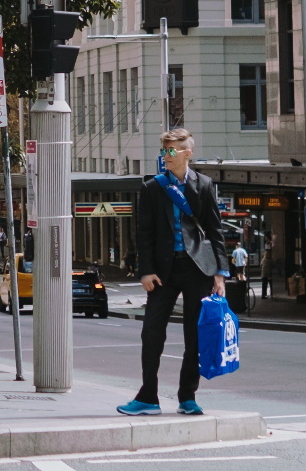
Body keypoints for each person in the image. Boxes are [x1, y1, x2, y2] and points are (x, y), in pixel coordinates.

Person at [117, 128, 229, 418]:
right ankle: (147, 397)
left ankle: (187, 397)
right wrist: (145, 272)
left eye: (170, 151)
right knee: (152, 331)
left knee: (195, 334)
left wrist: (219, 274)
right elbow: (144, 233)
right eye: (163, 150)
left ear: (186, 154)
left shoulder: (204, 185)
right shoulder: (153, 187)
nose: (164, 156)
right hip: (162, 273)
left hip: (197, 269)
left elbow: (215, 230)